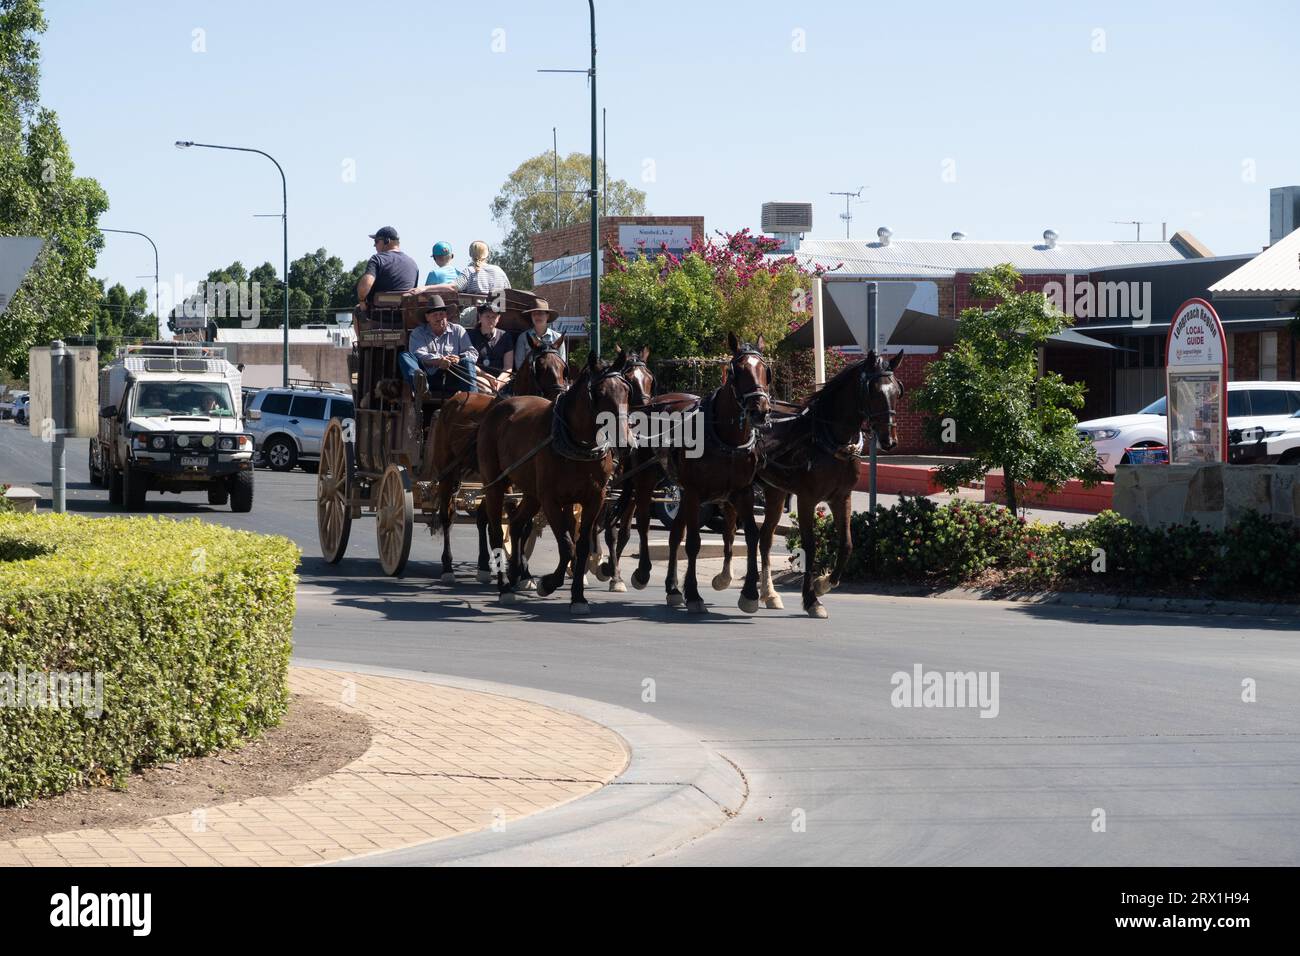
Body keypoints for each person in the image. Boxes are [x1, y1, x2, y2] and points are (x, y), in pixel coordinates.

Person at [400, 295, 478, 396]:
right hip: (429, 377)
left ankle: (472, 399)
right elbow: (418, 354)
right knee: (405, 356)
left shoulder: (458, 330)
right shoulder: (418, 333)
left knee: (467, 360)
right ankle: (420, 387)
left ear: (447, 315)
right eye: (435, 315)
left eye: (441, 314)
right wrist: (438, 361)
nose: (439, 318)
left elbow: (473, 353)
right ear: (427, 318)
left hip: (453, 376)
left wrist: (459, 358)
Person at [356, 226, 419, 309]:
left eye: (376, 241)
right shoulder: (413, 263)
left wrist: (361, 301)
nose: (374, 245)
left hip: (378, 316)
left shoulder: (377, 259)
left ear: (387, 241)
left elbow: (366, 285)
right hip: (405, 317)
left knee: (357, 310)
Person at [424, 240, 510, 300]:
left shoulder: (470, 271)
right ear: (488, 255)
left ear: (470, 254)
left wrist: (425, 288)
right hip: (500, 313)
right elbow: (509, 293)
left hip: (478, 315)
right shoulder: (500, 271)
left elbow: (453, 288)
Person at [513, 298, 565, 371]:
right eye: (534, 314)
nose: (537, 316)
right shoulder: (523, 337)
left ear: (547, 316)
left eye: (540, 313)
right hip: (529, 379)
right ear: (531, 317)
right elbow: (519, 364)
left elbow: (562, 362)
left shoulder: (558, 338)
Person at [469, 304, 515, 383]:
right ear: (480, 317)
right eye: (487, 316)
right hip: (479, 376)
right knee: (485, 388)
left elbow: (508, 367)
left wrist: (498, 381)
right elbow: (469, 362)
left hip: (501, 378)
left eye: (494, 317)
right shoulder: (471, 336)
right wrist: (486, 376)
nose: (490, 319)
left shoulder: (505, 336)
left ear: (498, 318)